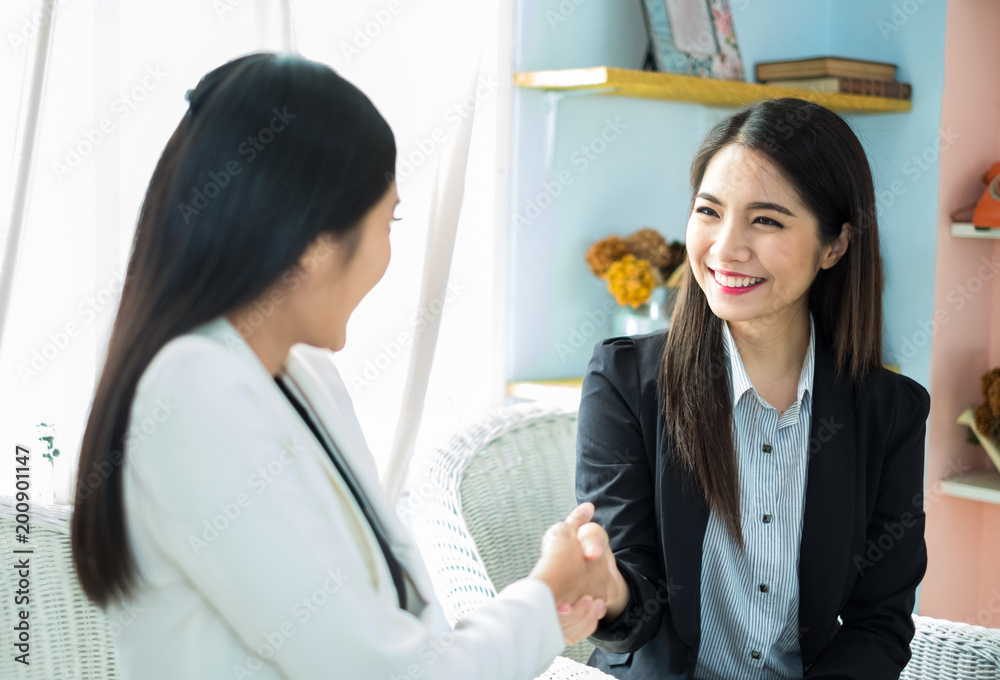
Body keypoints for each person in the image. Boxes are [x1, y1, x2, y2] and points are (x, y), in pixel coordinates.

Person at [70, 52, 612, 679]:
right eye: (389, 220)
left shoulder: (299, 376)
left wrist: (545, 616)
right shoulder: (193, 391)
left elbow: (405, 630)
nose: (388, 254)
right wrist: (542, 596)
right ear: (313, 245)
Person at [570, 98, 930, 679]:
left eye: (765, 220)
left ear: (834, 244)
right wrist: (607, 590)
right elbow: (632, 606)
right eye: (709, 211)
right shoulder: (627, 385)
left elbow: (879, 623)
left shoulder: (889, 413)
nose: (726, 247)